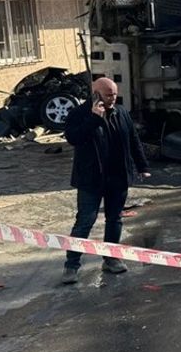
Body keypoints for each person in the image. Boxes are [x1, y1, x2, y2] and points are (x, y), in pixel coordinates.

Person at [61, 77, 151, 284]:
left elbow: (133, 140)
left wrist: (142, 166)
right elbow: (73, 138)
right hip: (91, 179)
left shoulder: (121, 113)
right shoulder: (79, 113)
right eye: (108, 94)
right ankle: (71, 265)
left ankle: (110, 259)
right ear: (96, 93)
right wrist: (94, 118)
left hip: (117, 177)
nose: (112, 98)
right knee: (85, 222)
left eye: (115, 94)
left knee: (115, 219)